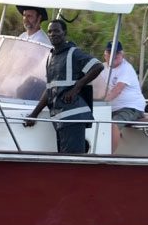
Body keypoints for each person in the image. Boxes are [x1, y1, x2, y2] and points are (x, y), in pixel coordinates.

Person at [24, 19, 104, 153]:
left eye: (56, 31)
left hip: (73, 117)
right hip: (60, 119)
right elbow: (49, 89)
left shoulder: (73, 53)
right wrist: (34, 114)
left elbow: (98, 66)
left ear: (64, 33)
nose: (52, 34)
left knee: (72, 162)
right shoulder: (51, 57)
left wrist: (76, 88)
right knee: (64, 160)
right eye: (50, 31)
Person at [103, 41, 146, 152]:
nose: (113, 55)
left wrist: (99, 103)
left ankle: (107, 156)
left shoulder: (126, 68)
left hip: (131, 107)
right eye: (110, 52)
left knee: (113, 124)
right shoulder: (102, 68)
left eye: (116, 53)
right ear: (105, 54)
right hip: (110, 109)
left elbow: (117, 90)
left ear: (122, 54)